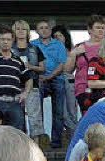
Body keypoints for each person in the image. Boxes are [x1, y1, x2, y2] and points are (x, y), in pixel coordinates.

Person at [12, 20, 47, 147]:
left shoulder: (35, 49)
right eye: (18, 29)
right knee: (17, 118)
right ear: (14, 32)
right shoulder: (10, 49)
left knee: (35, 118)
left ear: (28, 32)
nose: (21, 31)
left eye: (24, 29)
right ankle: (20, 147)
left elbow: (43, 68)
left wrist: (31, 66)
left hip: (33, 86)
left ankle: (36, 147)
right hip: (14, 87)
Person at [34, 20, 68, 148]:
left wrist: (48, 76)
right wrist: (39, 76)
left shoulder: (58, 44)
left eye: (46, 28)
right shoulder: (32, 44)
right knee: (37, 110)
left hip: (56, 78)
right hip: (39, 78)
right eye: (41, 28)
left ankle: (56, 142)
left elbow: (61, 64)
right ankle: (40, 140)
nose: (44, 30)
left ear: (50, 30)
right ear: (37, 31)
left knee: (58, 111)